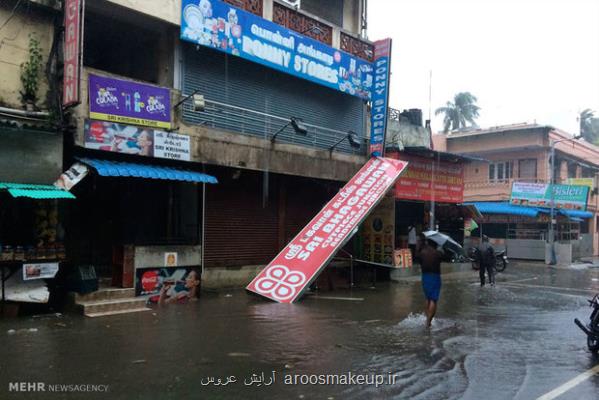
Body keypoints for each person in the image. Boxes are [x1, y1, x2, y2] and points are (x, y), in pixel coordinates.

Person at [416, 234, 443, 328]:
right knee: (433, 300)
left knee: (428, 298)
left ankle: (427, 318)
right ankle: (428, 321)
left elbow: (419, 261)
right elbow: (441, 259)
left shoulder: (422, 252)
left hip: (425, 277)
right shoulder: (438, 253)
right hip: (435, 277)